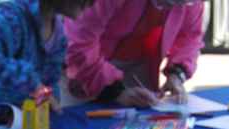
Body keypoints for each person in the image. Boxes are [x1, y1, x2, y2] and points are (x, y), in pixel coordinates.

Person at [63, 0, 206, 107]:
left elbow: (190, 36)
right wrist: (113, 90)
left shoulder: (191, 3)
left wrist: (177, 73)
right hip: (82, 68)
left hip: (140, 63)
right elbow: (78, 42)